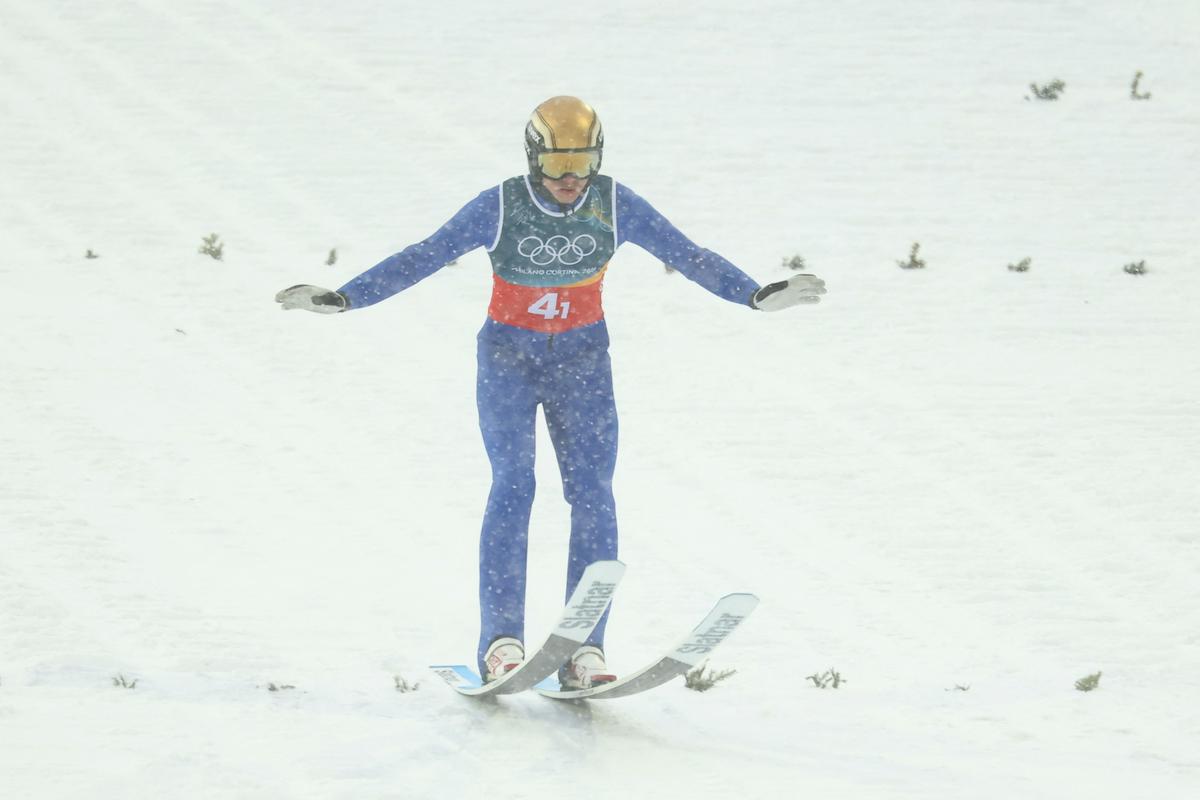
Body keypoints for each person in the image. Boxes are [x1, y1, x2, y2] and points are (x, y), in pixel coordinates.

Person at [276, 96, 825, 689]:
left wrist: (751, 294)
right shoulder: (504, 204)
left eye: (582, 163)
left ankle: (584, 650)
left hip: (583, 363)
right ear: (534, 158)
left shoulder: (613, 203)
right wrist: (349, 296)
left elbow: (685, 253)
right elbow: (426, 255)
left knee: (593, 493)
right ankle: (501, 645)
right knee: (515, 484)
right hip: (508, 361)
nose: (570, 179)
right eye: (558, 165)